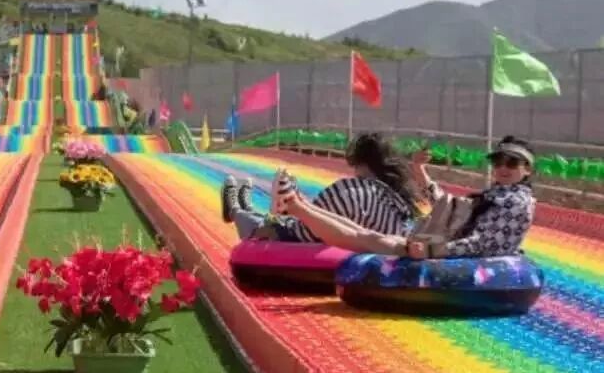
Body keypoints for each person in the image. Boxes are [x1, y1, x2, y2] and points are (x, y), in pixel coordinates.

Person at [277, 135, 536, 259]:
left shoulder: (516, 202)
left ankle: (297, 208)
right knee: (364, 234)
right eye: (498, 162)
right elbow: (450, 209)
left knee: (365, 238)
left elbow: (484, 244)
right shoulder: (496, 194)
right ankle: (298, 205)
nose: (503, 168)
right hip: (442, 241)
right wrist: (419, 170)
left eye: (512, 163)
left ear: (527, 170)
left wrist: (433, 249)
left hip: (448, 251)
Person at [222, 133, 423, 242]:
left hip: (309, 232)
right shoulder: (396, 201)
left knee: (268, 228)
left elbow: (313, 230)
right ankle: (259, 208)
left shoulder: (362, 193)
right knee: (284, 221)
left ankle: (236, 210)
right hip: (355, 232)